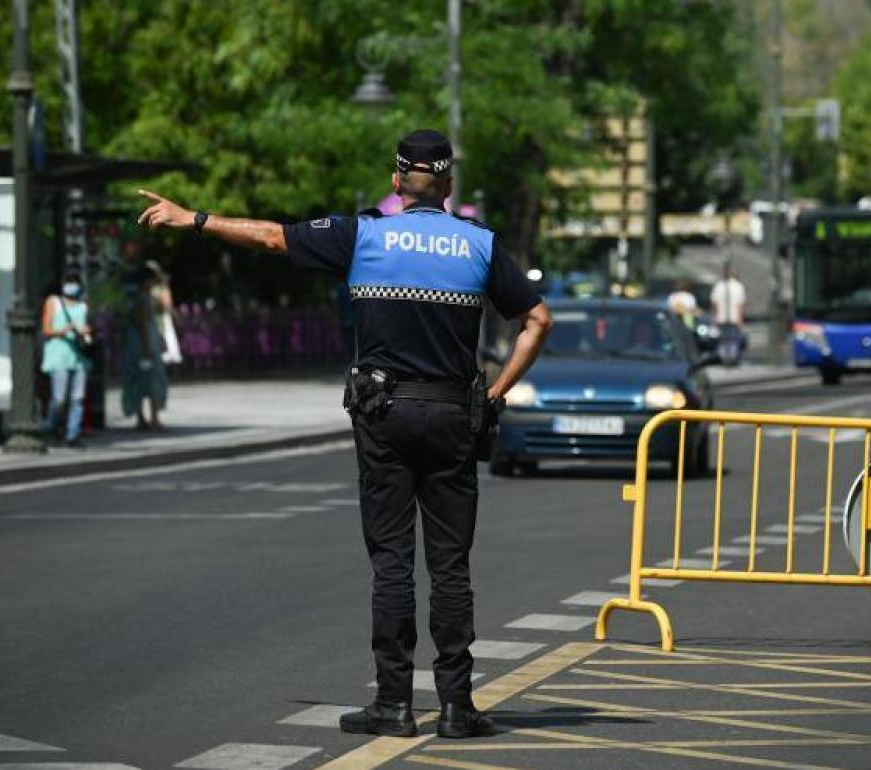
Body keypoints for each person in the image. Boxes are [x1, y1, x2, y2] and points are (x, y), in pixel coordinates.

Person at [136, 129, 553, 739]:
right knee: (451, 567)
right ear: (448, 187)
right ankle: (458, 707)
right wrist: (495, 392)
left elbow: (274, 236)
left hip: (384, 416)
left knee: (392, 563)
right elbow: (537, 320)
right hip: (451, 417)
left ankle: (393, 704)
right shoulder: (480, 246)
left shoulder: (364, 235)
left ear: (396, 182)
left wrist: (193, 218)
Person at [39, 269, 93, 447]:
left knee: (78, 398)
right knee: (59, 398)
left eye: (74, 282)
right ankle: (52, 428)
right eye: (68, 281)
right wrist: (63, 331)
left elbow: (86, 328)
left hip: (77, 356)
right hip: (58, 355)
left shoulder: (83, 305)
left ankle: (73, 434)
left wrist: (86, 332)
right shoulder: (53, 302)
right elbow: (46, 330)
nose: (71, 286)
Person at [121, 267, 168, 431]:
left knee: (140, 382)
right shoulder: (142, 300)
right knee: (152, 381)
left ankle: (142, 418)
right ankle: (153, 418)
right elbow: (143, 325)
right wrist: (149, 346)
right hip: (144, 347)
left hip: (140, 345)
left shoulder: (141, 298)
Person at [146, 259, 184, 365]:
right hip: (151, 316)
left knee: (166, 334)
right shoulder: (147, 286)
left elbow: (166, 302)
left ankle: (171, 356)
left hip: (161, 315)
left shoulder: (162, 285)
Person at [709, 263, 746, 365]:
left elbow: (714, 303)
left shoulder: (718, 285)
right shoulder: (739, 287)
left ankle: (723, 358)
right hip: (734, 318)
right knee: (733, 339)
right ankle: (732, 359)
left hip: (720, 317)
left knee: (722, 339)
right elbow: (740, 305)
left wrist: (715, 316)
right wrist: (741, 319)